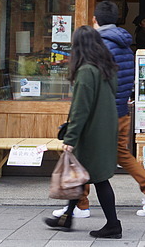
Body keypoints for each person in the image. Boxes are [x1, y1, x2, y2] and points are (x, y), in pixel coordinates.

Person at [53, 1, 145, 220]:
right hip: (121, 108)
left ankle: (84, 204)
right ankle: (82, 204)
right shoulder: (124, 42)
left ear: (95, 20)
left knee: (87, 154)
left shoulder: (100, 45)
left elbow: (95, 82)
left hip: (103, 113)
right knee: (115, 154)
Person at [44, 26, 121, 239]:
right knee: (81, 175)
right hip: (105, 127)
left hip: (92, 132)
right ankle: (67, 217)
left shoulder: (86, 71)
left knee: (98, 178)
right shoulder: (107, 68)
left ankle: (113, 224)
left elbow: (80, 108)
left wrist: (70, 138)